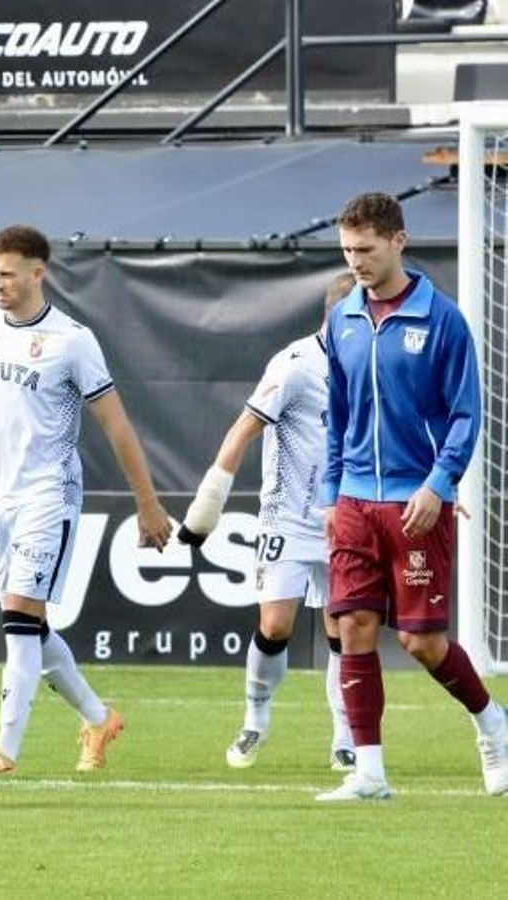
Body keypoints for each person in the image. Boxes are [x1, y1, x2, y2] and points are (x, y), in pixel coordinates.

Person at [0, 224, 170, 777]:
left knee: (17, 616)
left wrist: (148, 505)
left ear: (39, 273)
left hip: (49, 495)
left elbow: (118, 426)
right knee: (28, 623)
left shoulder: (71, 341)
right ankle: (99, 717)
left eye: (8, 273)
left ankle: (5, 750)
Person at [315, 192, 508, 801]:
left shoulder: (442, 318)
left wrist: (438, 483)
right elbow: (337, 417)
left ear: (399, 240)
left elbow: (464, 414)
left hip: (416, 505)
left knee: (422, 642)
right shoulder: (342, 318)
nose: (357, 262)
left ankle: (493, 725)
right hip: (353, 503)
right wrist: (329, 497)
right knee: (354, 627)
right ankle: (369, 771)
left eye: (366, 250)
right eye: (347, 251)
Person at [177, 273, 358, 771]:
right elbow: (243, 429)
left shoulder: (372, 366)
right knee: (275, 624)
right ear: (337, 315)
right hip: (288, 521)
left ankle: (344, 734)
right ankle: (255, 719)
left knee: (344, 629)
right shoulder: (295, 365)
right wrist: (206, 507)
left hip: (346, 521)